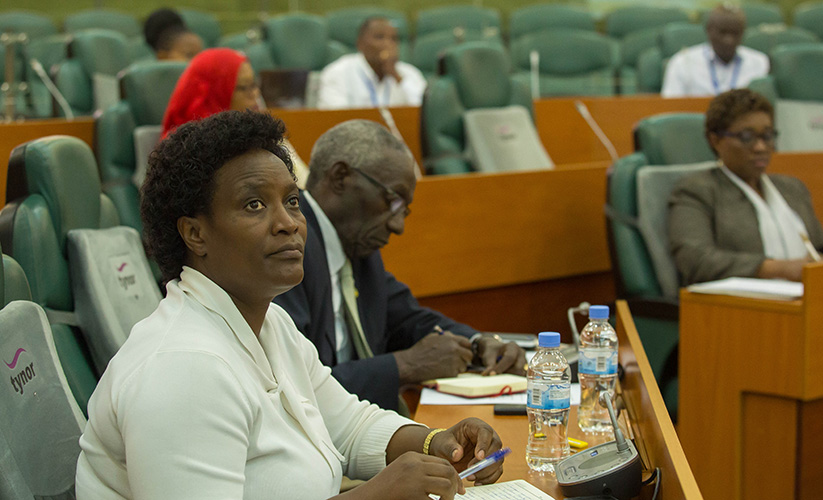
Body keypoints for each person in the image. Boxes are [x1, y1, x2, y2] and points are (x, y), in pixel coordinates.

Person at [76, 110, 505, 499]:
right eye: (254, 204)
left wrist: (438, 442)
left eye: (292, 201)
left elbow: (350, 427)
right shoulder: (183, 367)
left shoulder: (270, 323)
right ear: (195, 234)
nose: (289, 224)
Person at [273, 120, 527, 412]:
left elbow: (407, 319)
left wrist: (478, 343)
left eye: (403, 210)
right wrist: (404, 366)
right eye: (392, 201)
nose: (398, 225)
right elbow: (297, 388)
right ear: (341, 177)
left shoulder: (357, 245)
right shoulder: (288, 248)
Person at [667, 89, 823, 286]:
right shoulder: (696, 191)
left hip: (811, 298)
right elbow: (695, 260)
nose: (760, 147)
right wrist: (777, 268)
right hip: (740, 307)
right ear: (715, 140)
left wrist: (822, 263)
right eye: (747, 137)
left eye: (767, 136)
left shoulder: (792, 188)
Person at [161, 47, 309, 187]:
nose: (255, 94)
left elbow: (305, 186)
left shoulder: (261, 134)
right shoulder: (183, 152)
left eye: (255, 85)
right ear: (215, 93)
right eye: (245, 87)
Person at [661, 4, 769, 98]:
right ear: (708, 30)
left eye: (735, 33)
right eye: (723, 32)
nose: (729, 40)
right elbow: (670, 109)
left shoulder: (759, 63)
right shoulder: (683, 62)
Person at [318, 17, 427, 109]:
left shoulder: (409, 73)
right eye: (379, 37)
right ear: (360, 43)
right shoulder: (337, 72)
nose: (388, 44)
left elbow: (424, 115)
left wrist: (396, 75)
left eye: (394, 39)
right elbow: (334, 119)